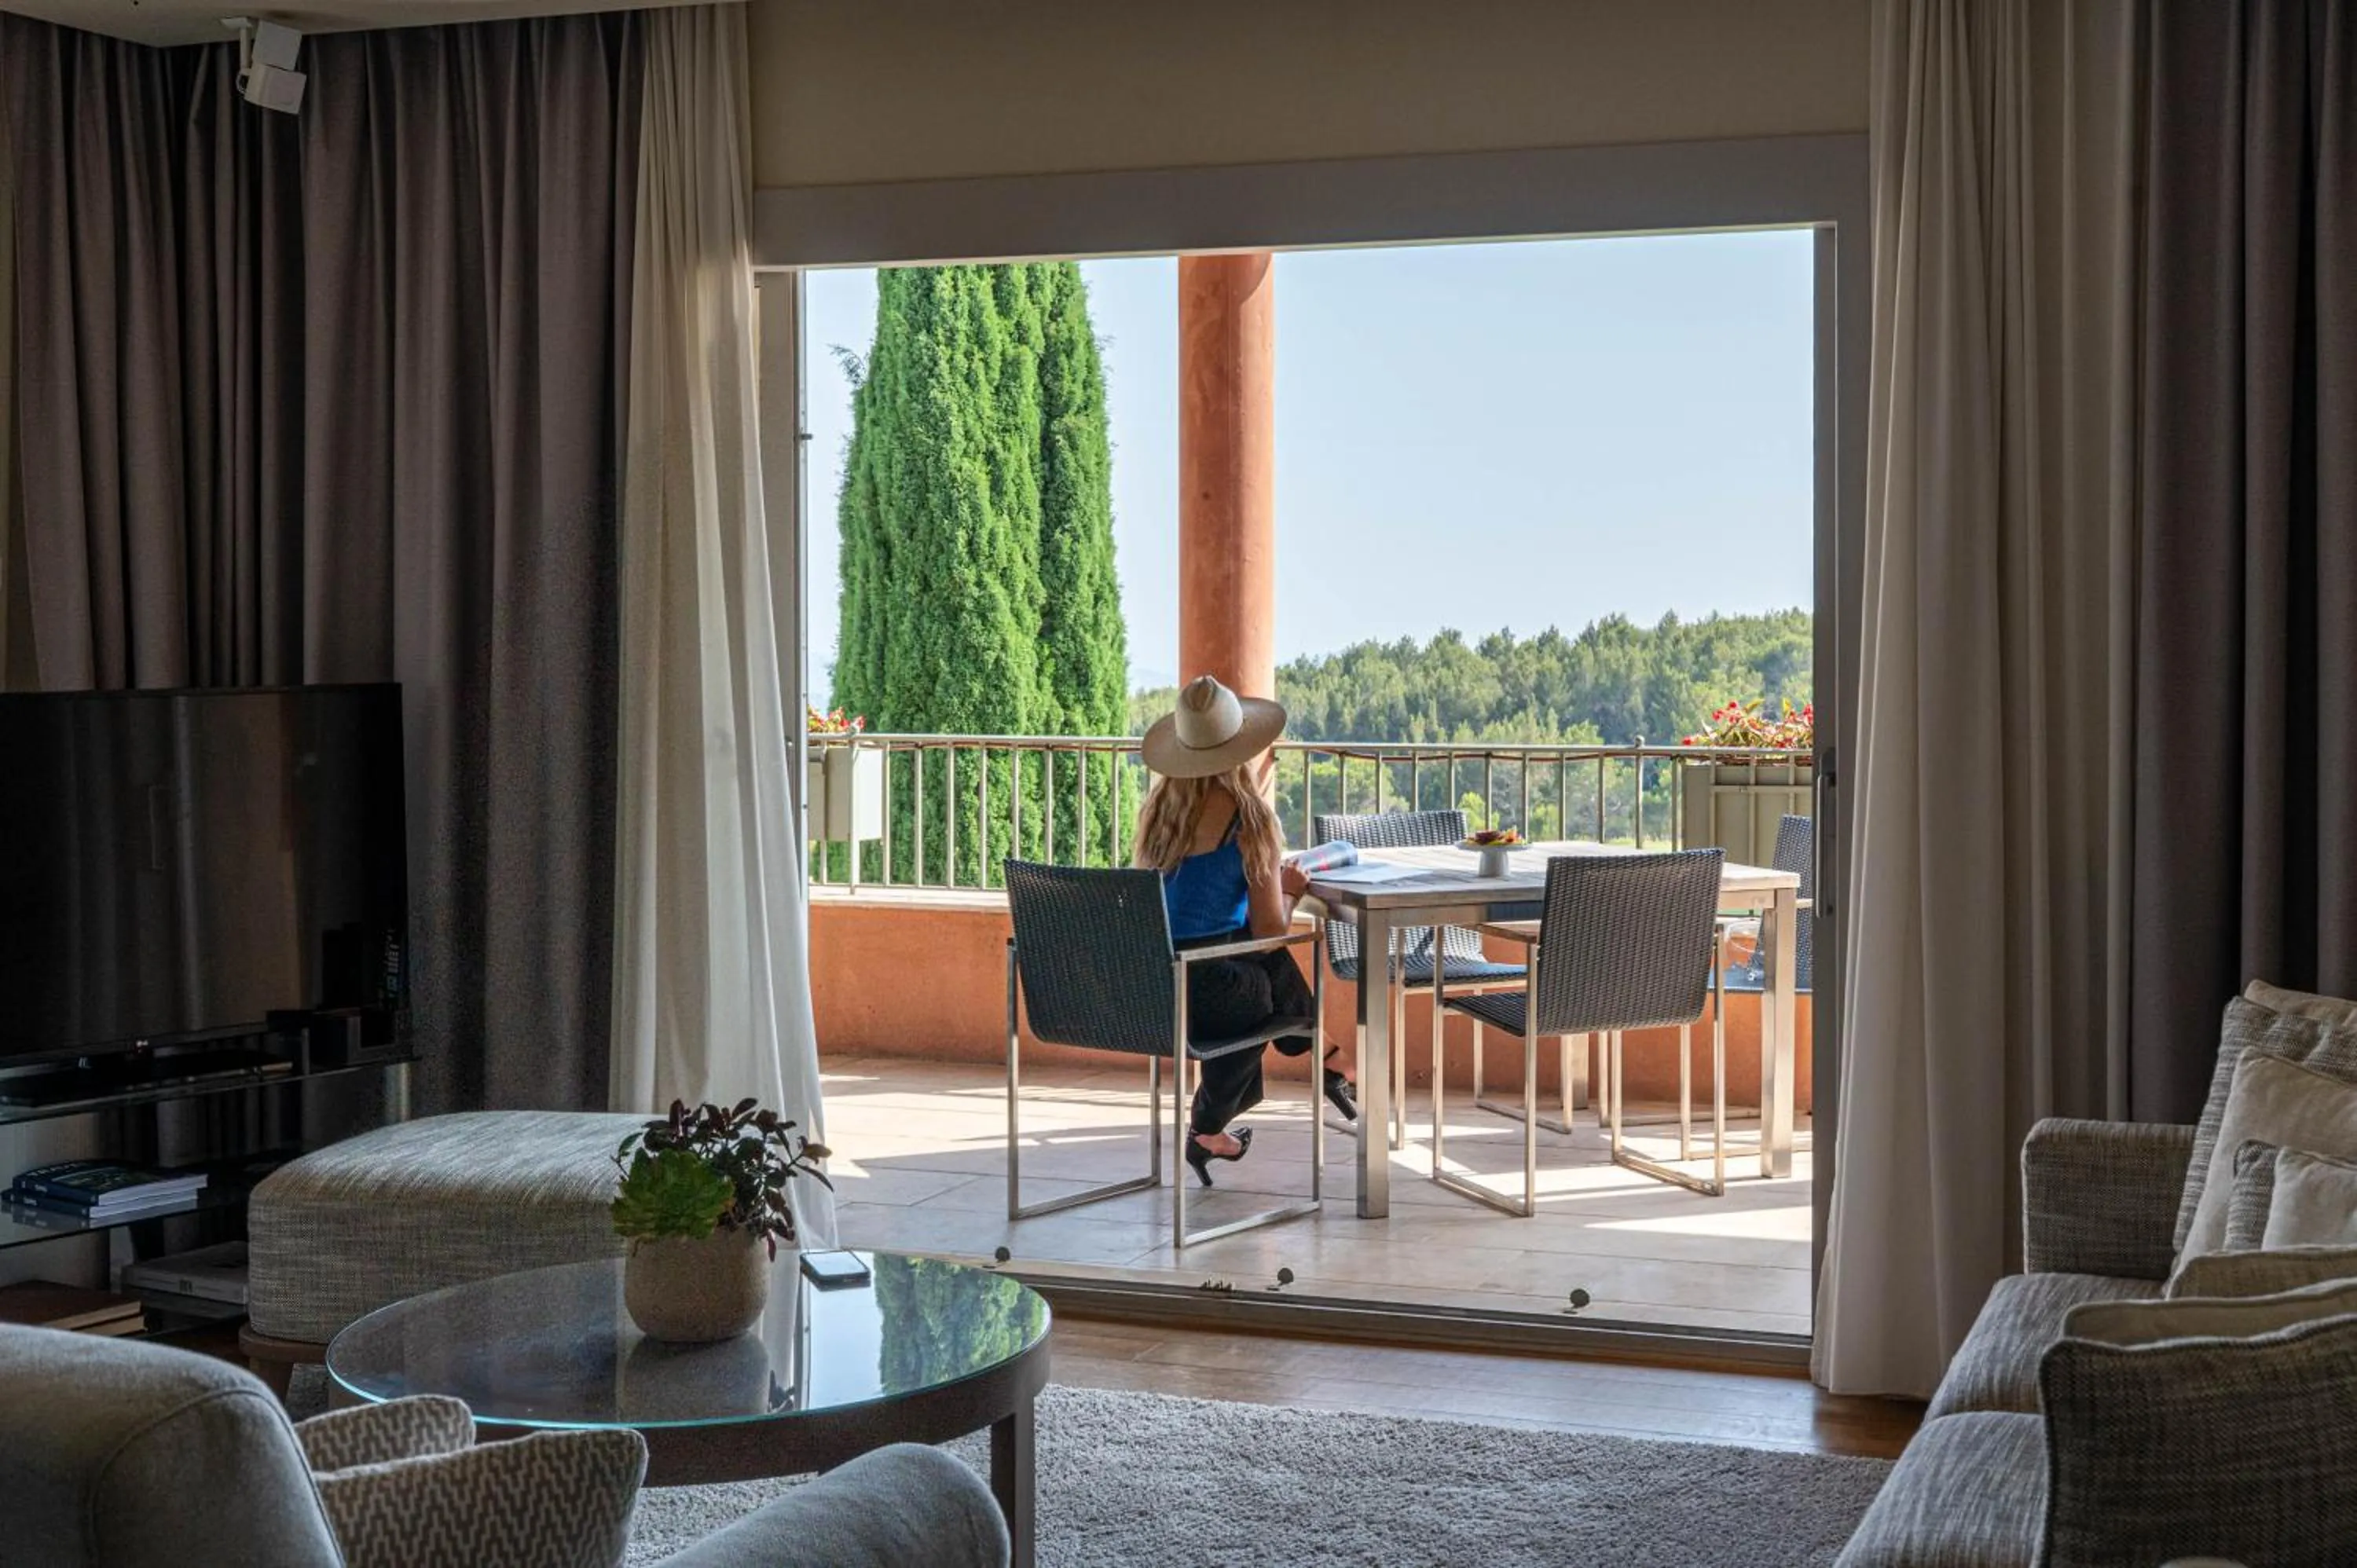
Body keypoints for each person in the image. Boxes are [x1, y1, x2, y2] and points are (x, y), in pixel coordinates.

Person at [1136, 676, 1358, 1186]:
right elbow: (1270, 929)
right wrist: (1292, 889)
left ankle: (1328, 1058)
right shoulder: (1249, 818)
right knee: (1263, 975)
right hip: (1212, 994)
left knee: (1261, 968)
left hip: (1154, 987)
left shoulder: (1158, 818)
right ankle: (1210, 1125)